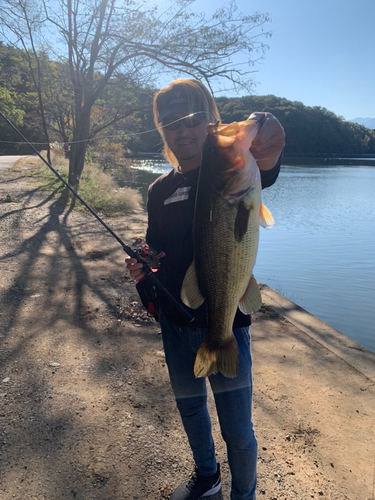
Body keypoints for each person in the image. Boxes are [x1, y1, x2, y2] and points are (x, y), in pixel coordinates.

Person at [126, 79, 285, 500]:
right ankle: (208, 475)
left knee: (238, 429)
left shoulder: (224, 171)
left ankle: (244, 495)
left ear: (210, 123)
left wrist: (265, 129)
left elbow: (265, 155)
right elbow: (156, 243)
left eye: (194, 119)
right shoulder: (158, 189)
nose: (183, 131)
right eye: (171, 123)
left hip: (226, 322)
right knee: (190, 408)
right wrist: (146, 261)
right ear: (162, 132)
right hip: (175, 323)